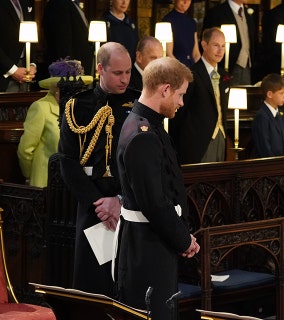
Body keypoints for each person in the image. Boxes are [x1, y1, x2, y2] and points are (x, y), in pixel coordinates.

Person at [115, 57, 199, 320]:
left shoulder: (146, 124)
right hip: (147, 245)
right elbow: (154, 202)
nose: (181, 103)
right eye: (180, 94)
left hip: (154, 240)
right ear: (165, 89)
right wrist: (183, 239)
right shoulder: (143, 134)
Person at [58, 42, 139, 296]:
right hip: (93, 206)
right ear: (101, 69)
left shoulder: (139, 104)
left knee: (128, 285)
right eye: (118, 73)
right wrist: (100, 203)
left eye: (128, 72)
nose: (125, 79)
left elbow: (145, 163)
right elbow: (67, 161)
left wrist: (119, 200)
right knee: (91, 286)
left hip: (130, 206)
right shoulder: (77, 106)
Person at [18, 60, 91, 187]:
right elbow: (25, 150)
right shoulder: (41, 108)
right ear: (56, 89)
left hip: (75, 185)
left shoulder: (81, 108)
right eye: (67, 88)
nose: (74, 93)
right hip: (46, 183)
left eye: (78, 88)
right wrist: (29, 175)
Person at [170, 28, 228, 164]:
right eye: (216, 45)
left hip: (220, 137)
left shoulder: (225, 75)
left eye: (223, 46)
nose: (220, 50)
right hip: (197, 142)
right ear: (204, 45)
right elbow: (180, 113)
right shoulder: (192, 74)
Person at [202, 0, 255, 85]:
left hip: (247, 67)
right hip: (224, 66)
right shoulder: (216, 13)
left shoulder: (248, 14)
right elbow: (207, 41)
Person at [43, 0, 93, 81]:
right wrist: (70, 71)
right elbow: (62, 41)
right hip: (69, 73)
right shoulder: (59, 4)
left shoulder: (73, 4)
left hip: (79, 70)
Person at [251, 74, 284, 157]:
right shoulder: (262, 116)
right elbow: (264, 147)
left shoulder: (281, 114)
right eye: (281, 93)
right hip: (269, 165)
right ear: (269, 94)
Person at [1, 0, 36, 92]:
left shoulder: (24, 2)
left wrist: (32, 64)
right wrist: (13, 70)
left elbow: (30, 30)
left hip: (25, 68)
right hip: (4, 72)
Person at [163, 0, 201, 67]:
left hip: (191, 66)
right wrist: (181, 70)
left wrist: (199, 70)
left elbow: (196, 53)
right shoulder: (167, 21)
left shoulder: (192, 22)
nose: (185, 2)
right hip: (175, 68)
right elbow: (168, 53)